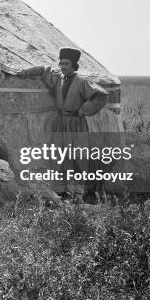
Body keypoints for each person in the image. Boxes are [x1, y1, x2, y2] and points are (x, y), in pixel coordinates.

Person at [42, 47, 109, 201]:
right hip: (61, 124)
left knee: (78, 157)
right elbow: (45, 71)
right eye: (61, 63)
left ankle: (78, 194)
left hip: (76, 124)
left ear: (74, 64)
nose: (62, 66)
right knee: (58, 157)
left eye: (66, 63)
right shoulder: (58, 79)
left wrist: (84, 110)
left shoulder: (82, 81)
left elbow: (101, 95)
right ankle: (60, 193)